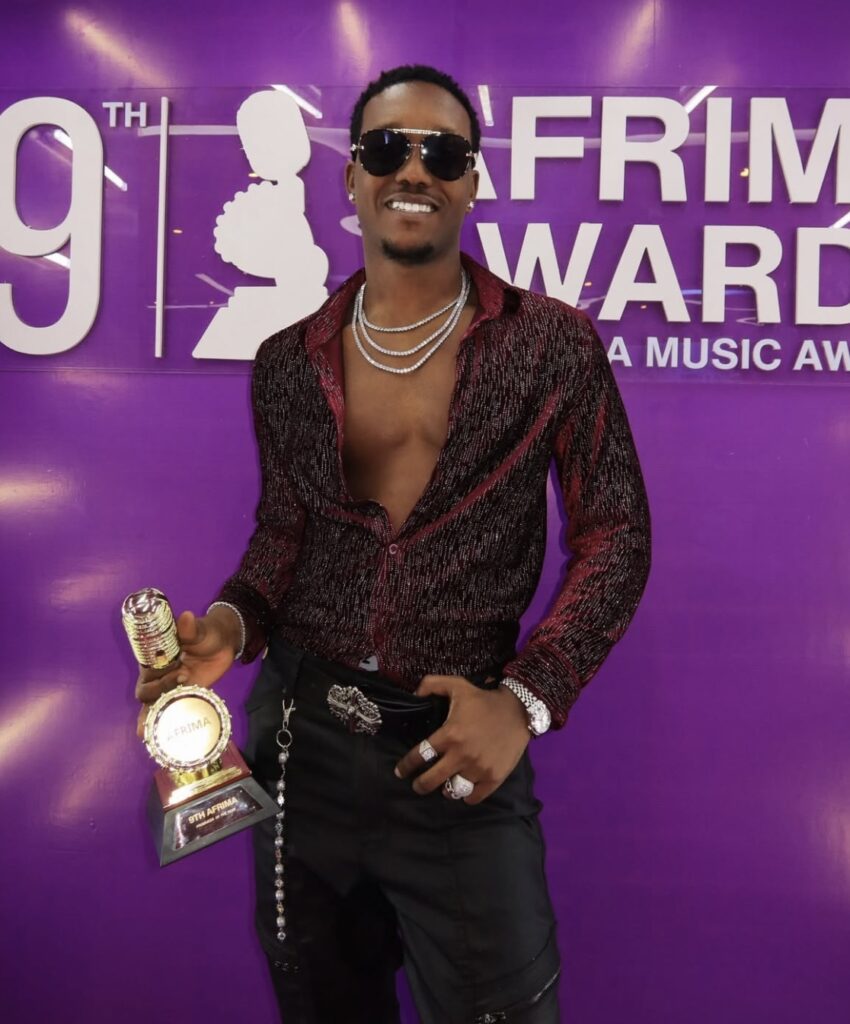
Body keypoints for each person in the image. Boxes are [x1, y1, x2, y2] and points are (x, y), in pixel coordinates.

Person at [136, 64, 651, 1024]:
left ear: (472, 180)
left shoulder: (552, 345)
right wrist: (230, 628)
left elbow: (616, 532)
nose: (413, 169)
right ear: (351, 176)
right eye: (386, 148)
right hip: (303, 739)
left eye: (442, 153)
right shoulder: (287, 362)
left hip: (457, 746)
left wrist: (526, 701)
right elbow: (284, 536)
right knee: (323, 1001)